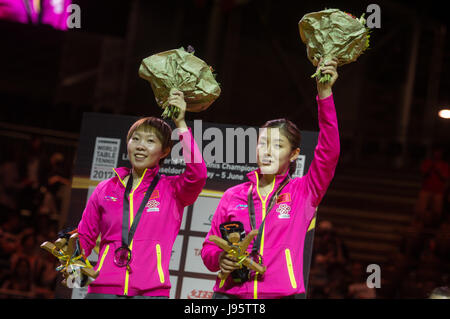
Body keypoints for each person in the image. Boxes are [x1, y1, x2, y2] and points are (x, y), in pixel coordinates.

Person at [201, 58, 340, 299]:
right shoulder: (233, 195)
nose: (267, 151)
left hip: (281, 294)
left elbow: (330, 151)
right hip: (229, 295)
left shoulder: (304, 191)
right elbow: (209, 250)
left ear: (294, 153)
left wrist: (324, 94)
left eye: (277, 145)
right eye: (262, 143)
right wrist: (220, 259)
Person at [77, 90, 207, 298]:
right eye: (135, 139)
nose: (140, 146)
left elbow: (198, 174)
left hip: (151, 292)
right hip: (103, 289)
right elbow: (84, 237)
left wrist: (181, 124)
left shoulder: (172, 190)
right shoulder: (106, 189)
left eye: (150, 141)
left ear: (164, 151)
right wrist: (74, 268)